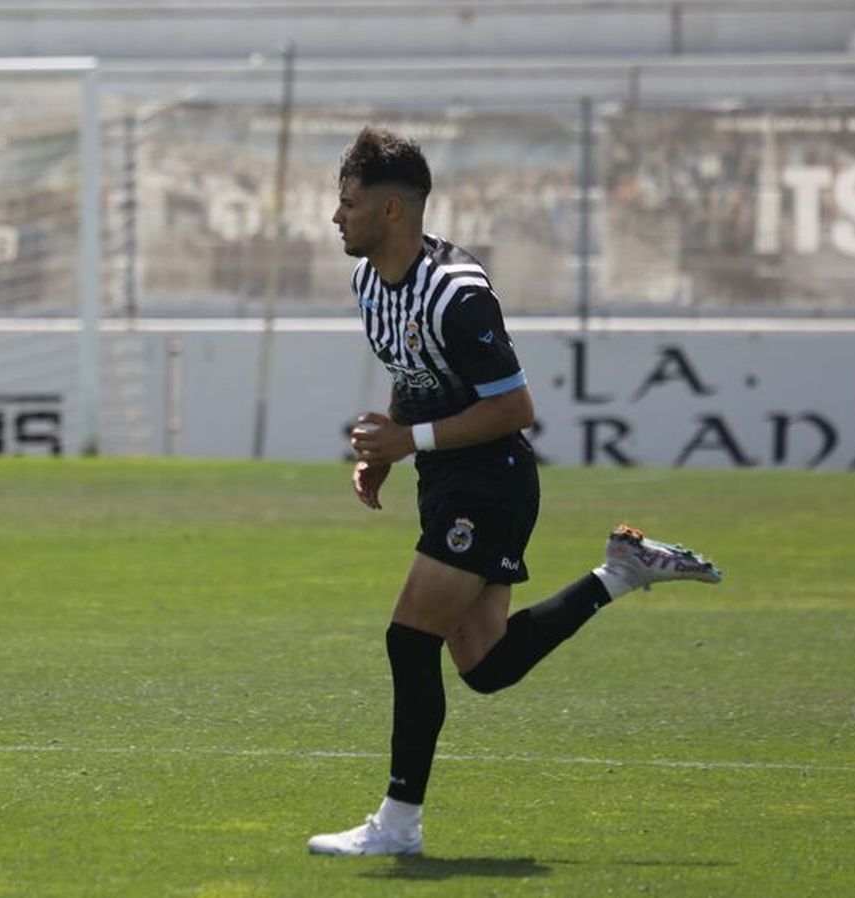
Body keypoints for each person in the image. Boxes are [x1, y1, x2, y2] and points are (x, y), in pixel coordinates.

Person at [306, 126, 722, 857]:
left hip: (492, 482)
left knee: (409, 640)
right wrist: (391, 455)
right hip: (448, 478)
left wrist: (409, 442)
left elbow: (515, 408)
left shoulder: (458, 295)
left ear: (394, 210)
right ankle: (619, 572)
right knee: (486, 667)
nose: (336, 217)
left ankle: (398, 826)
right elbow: (413, 376)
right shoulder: (370, 281)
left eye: (348, 203)